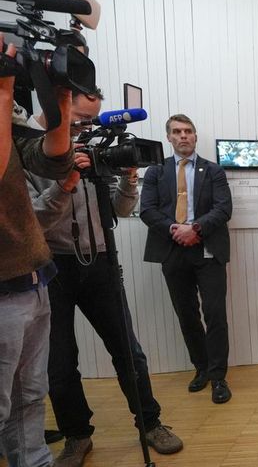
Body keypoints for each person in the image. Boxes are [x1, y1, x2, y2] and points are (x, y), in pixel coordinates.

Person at [25, 88, 183, 466]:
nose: (85, 128)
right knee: (60, 363)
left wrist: (128, 181)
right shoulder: (28, 151)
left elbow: (120, 209)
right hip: (52, 267)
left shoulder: (93, 146)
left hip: (100, 262)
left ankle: (151, 423)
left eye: (90, 121)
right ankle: (77, 436)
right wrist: (66, 181)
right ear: (56, 108)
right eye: (79, 120)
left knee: (129, 351)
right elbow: (37, 220)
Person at [0, 37, 73, 467]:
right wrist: (6, 90)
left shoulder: (9, 116)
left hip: (33, 282)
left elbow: (52, 158)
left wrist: (59, 97)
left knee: (29, 396)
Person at [140, 114, 233, 404]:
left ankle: (219, 377)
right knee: (187, 314)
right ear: (169, 137)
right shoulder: (156, 171)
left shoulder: (214, 171)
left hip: (207, 249)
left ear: (195, 136)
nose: (183, 136)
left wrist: (195, 229)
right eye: (177, 132)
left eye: (188, 131)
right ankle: (201, 368)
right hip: (173, 249)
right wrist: (174, 230)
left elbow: (223, 208)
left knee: (215, 314)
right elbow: (147, 210)